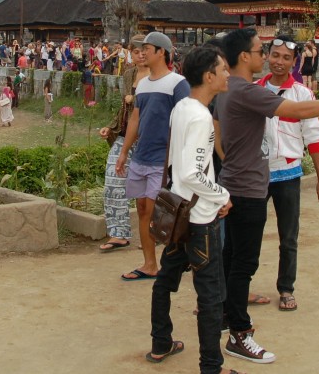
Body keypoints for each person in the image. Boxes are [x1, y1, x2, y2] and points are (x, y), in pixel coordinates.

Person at [215, 28, 319, 364]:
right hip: (249, 188)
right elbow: (297, 112)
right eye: (262, 51)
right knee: (244, 262)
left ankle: (226, 315)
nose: (268, 58)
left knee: (233, 256)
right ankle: (239, 334)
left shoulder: (230, 87)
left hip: (239, 182)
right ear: (245, 56)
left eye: (282, 56)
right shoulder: (247, 90)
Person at [146, 46, 234, 374]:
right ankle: (211, 367)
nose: (227, 74)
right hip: (199, 219)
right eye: (223, 69)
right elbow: (192, 173)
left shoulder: (183, 107)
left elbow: (177, 163)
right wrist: (222, 194)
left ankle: (161, 342)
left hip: (177, 212)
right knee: (210, 296)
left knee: (166, 278)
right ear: (209, 76)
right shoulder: (199, 117)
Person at [255, 38, 319, 312]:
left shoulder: (302, 96)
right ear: (267, 56)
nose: (279, 61)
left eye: (286, 57)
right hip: (257, 174)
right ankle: (242, 286)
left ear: (295, 62)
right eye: (275, 55)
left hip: (288, 173)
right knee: (248, 234)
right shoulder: (255, 91)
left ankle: (286, 288)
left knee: (289, 236)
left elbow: (313, 137)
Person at [116, 32, 190, 282]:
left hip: (162, 158)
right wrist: (125, 151)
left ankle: (173, 261)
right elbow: (135, 118)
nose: (142, 52)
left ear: (162, 52)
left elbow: (187, 119)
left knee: (155, 209)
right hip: (141, 156)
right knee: (141, 208)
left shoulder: (178, 83)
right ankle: (150, 264)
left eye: (147, 48)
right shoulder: (144, 84)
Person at [97, 35, 148, 252]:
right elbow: (124, 108)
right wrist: (111, 126)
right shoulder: (129, 75)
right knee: (113, 182)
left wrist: (135, 100)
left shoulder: (161, 77)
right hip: (125, 135)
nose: (140, 55)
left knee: (150, 189)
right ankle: (118, 233)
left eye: (144, 51)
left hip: (149, 139)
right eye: (135, 52)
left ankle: (154, 233)